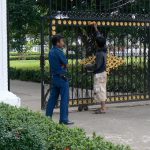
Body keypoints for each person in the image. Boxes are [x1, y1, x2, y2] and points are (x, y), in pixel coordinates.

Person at [46, 34, 74, 125]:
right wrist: (63, 65)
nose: (63, 43)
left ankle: (47, 117)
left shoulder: (51, 51)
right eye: (62, 41)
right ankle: (63, 119)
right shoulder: (59, 51)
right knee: (64, 99)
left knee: (52, 99)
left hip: (55, 77)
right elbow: (66, 63)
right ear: (57, 43)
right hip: (62, 78)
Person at [85, 23, 107, 114]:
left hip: (99, 74)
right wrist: (96, 29)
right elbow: (100, 38)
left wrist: (88, 66)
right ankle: (103, 107)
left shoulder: (99, 54)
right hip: (103, 73)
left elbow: (97, 66)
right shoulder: (104, 49)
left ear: (97, 44)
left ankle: (103, 108)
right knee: (102, 89)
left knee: (100, 90)